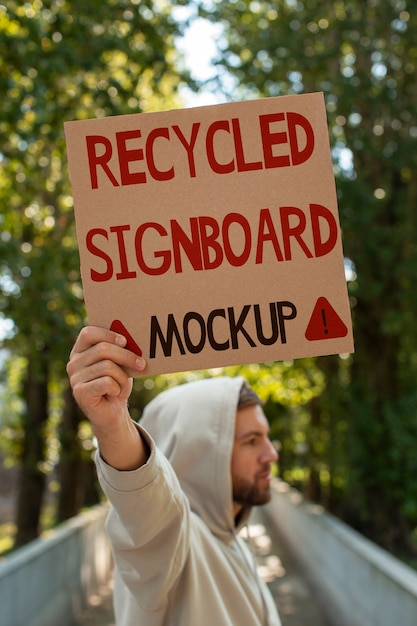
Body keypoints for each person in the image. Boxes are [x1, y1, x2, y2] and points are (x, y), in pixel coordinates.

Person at [67, 326, 282, 626]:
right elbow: (150, 507)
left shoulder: (230, 538)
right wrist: (114, 425)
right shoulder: (172, 545)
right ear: (202, 452)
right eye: (251, 441)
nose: (271, 454)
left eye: (267, 438)